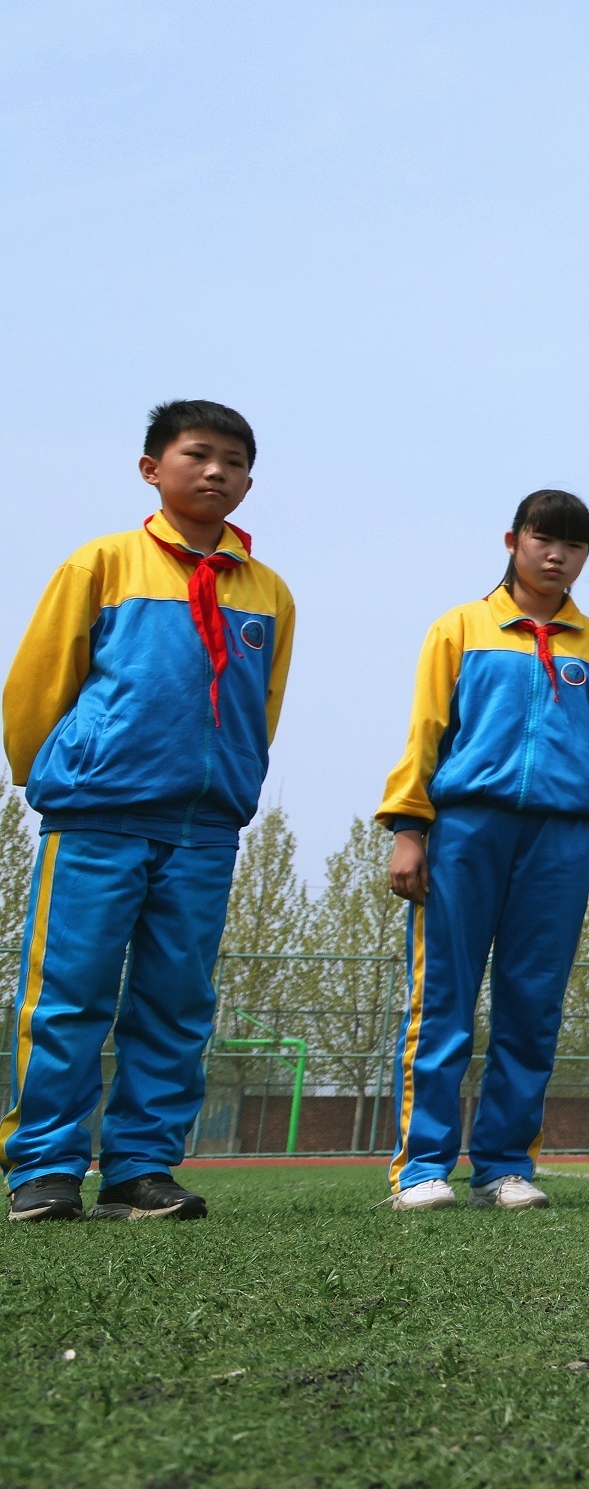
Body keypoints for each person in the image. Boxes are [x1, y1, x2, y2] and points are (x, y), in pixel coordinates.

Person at [2, 401, 296, 1224]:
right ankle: (44, 1165)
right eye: (198, 454)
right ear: (151, 468)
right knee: (69, 992)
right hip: (97, 813)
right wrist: (54, 773)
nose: (216, 472)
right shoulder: (102, 563)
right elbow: (36, 684)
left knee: (175, 1001)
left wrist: (233, 781)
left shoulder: (268, 592)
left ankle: (140, 1164)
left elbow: (260, 705)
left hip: (203, 828)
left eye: (234, 461)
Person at [378, 491, 589, 1210]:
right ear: (512, 539)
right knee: (443, 1000)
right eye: (542, 538)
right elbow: (426, 731)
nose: (556, 554)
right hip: (467, 829)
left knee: (532, 1005)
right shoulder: (460, 627)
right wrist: (409, 828)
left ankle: (503, 1164)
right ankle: (422, 1166)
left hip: (562, 840)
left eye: (574, 544)